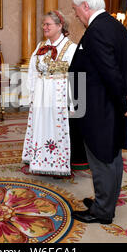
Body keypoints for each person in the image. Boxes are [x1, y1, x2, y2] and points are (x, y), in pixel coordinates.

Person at [68, 0, 127, 224]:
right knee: (112, 154)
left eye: (76, 8)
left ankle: (103, 211)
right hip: (110, 103)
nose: (75, 13)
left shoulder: (96, 30)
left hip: (99, 106)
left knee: (101, 157)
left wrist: (122, 98)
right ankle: (104, 201)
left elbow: (110, 71)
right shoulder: (116, 26)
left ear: (86, 6)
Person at [22, 10, 83, 176]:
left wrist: (74, 103)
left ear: (60, 26)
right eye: (44, 24)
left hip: (59, 95)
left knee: (57, 128)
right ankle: (40, 160)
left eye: (48, 24)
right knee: (40, 125)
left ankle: (58, 165)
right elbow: (32, 71)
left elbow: (75, 76)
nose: (44, 27)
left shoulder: (71, 48)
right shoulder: (40, 46)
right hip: (41, 94)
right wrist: (32, 93)